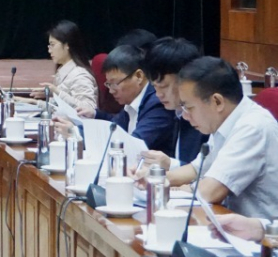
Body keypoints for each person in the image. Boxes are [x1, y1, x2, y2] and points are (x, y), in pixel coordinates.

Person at [165, 57, 278, 219]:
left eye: (189, 107)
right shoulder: (225, 120)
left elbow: (209, 192)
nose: (185, 116)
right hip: (232, 224)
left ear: (217, 101)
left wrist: (178, 189)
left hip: (263, 238)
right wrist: (157, 178)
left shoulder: (253, 127)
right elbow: (196, 169)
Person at [135, 37, 207, 171]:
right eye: (154, 87)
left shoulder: (206, 117)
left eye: (163, 86)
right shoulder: (176, 111)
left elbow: (207, 173)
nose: (158, 94)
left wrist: (170, 165)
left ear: (187, 79)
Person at [92, 45, 176, 156]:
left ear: (139, 76)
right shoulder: (132, 102)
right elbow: (113, 128)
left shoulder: (157, 103)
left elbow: (134, 146)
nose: (111, 91)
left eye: (115, 83)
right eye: (109, 84)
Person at [24, 20, 98, 116]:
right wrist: (32, 102)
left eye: (53, 45)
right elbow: (58, 108)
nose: (49, 50)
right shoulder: (63, 70)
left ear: (67, 45)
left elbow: (88, 109)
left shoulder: (80, 75)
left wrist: (57, 91)